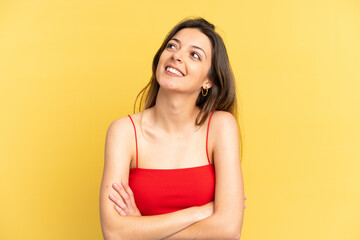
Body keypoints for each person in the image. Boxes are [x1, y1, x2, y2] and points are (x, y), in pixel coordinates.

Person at [99, 17, 245, 240]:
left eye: (194, 55)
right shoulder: (124, 132)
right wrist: (201, 212)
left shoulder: (220, 126)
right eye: (172, 46)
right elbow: (114, 232)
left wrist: (140, 229)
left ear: (209, 81)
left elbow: (228, 229)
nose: (176, 55)